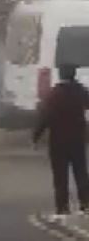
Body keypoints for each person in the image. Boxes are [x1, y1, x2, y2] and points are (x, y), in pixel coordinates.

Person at [33, 63, 89, 217]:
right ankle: (85, 204)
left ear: (61, 75)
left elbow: (45, 116)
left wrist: (36, 136)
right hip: (78, 139)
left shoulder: (55, 93)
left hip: (58, 141)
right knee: (81, 173)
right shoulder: (81, 91)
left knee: (60, 176)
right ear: (74, 74)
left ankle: (62, 207)